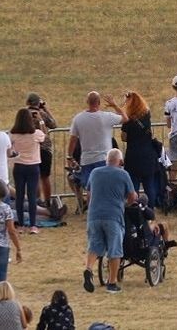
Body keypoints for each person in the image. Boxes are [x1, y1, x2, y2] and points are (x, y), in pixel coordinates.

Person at [82, 149, 136, 294]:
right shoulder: (123, 174)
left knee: (94, 245)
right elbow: (132, 197)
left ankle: (88, 269)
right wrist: (126, 203)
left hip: (94, 215)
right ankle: (112, 283)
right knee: (115, 250)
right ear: (120, 161)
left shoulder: (95, 173)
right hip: (113, 216)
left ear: (107, 160)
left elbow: (88, 193)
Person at [67, 92, 128, 193]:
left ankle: (92, 207)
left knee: (91, 188)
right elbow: (125, 118)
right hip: (104, 159)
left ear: (87, 102)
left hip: (87, 161)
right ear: (99, 102)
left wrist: (69, 157)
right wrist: (114, 105)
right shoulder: (107, 117)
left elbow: (73, 140)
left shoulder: (78, 119)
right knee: (106, 188)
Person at [9, 109, 46, 234]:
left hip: (19, 165)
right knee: (31, 196)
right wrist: (40, 120)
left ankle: (20, 224)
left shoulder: (13, 134)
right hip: (33, 166)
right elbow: (45, 136)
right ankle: (33, 225)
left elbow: (10, 149)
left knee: (19, 196)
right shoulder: (36, 134)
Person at [24, 95, 57, 205]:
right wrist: (46, 109)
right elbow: (54, 124)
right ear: (39, 103)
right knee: (45, 176)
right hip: (44, 148)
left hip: (29, 147)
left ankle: (36, 202)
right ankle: (47, 201)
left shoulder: (23, 114)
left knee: (35, 176)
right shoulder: (41, 114)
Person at [0, 186, 22, 283]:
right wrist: (18, 248)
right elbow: (11, 231)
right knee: (1, 278)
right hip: (2, 245)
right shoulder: (6, 209)